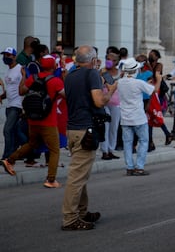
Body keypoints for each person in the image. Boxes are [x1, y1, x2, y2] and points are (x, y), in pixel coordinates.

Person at [61, 45, 117, 231]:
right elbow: (99, 101)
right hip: (85, 129)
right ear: (93, 60)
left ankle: (82, 211)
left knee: (81, 174)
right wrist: (110, 91)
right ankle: (70, 218)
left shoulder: (70, 76)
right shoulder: (91, 74)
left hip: (73, 129)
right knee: (77, 177)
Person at [1, 55, 66, 188]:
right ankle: (51, 179)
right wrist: (64, 76)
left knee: (32, 143)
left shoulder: (33, 78)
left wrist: (24, 76)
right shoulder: (56, 81)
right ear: (54, 66)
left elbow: (21, 91)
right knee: (54, 150)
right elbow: (67, 95)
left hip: (33, 120)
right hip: (48, 122)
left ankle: (9, 160)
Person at [117, 57, 161, 176]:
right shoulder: (138, 83)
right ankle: (139, 167)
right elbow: (154, 90)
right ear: (134, 71)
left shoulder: (120, 82)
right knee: (143, 140)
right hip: (138, 117)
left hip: (125, 117)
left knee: (127, 143)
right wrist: (159, 79)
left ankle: (129, 167)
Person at [0, 47, 23, 160]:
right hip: (9, 105)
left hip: (17, 105)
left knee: (7, 130)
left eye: (8, 55)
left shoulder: (20, 69)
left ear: (14, 56)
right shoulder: (8, 71)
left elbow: (24, 87)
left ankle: (7, 156)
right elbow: (9, 90)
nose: (5, 57)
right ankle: (26, 150)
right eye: (4, 55)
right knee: (15, 131)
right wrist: (1, 97)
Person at [99, 52, 121, 160]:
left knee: (114, 127)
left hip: (116, 103)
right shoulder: (102, 71)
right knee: (105, 126)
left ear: (116, 62)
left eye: (111, 59)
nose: (108, 61)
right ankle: (104, 151)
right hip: (104, 102)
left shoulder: (120, 73)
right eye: (107, 58)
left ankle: (111, 149)